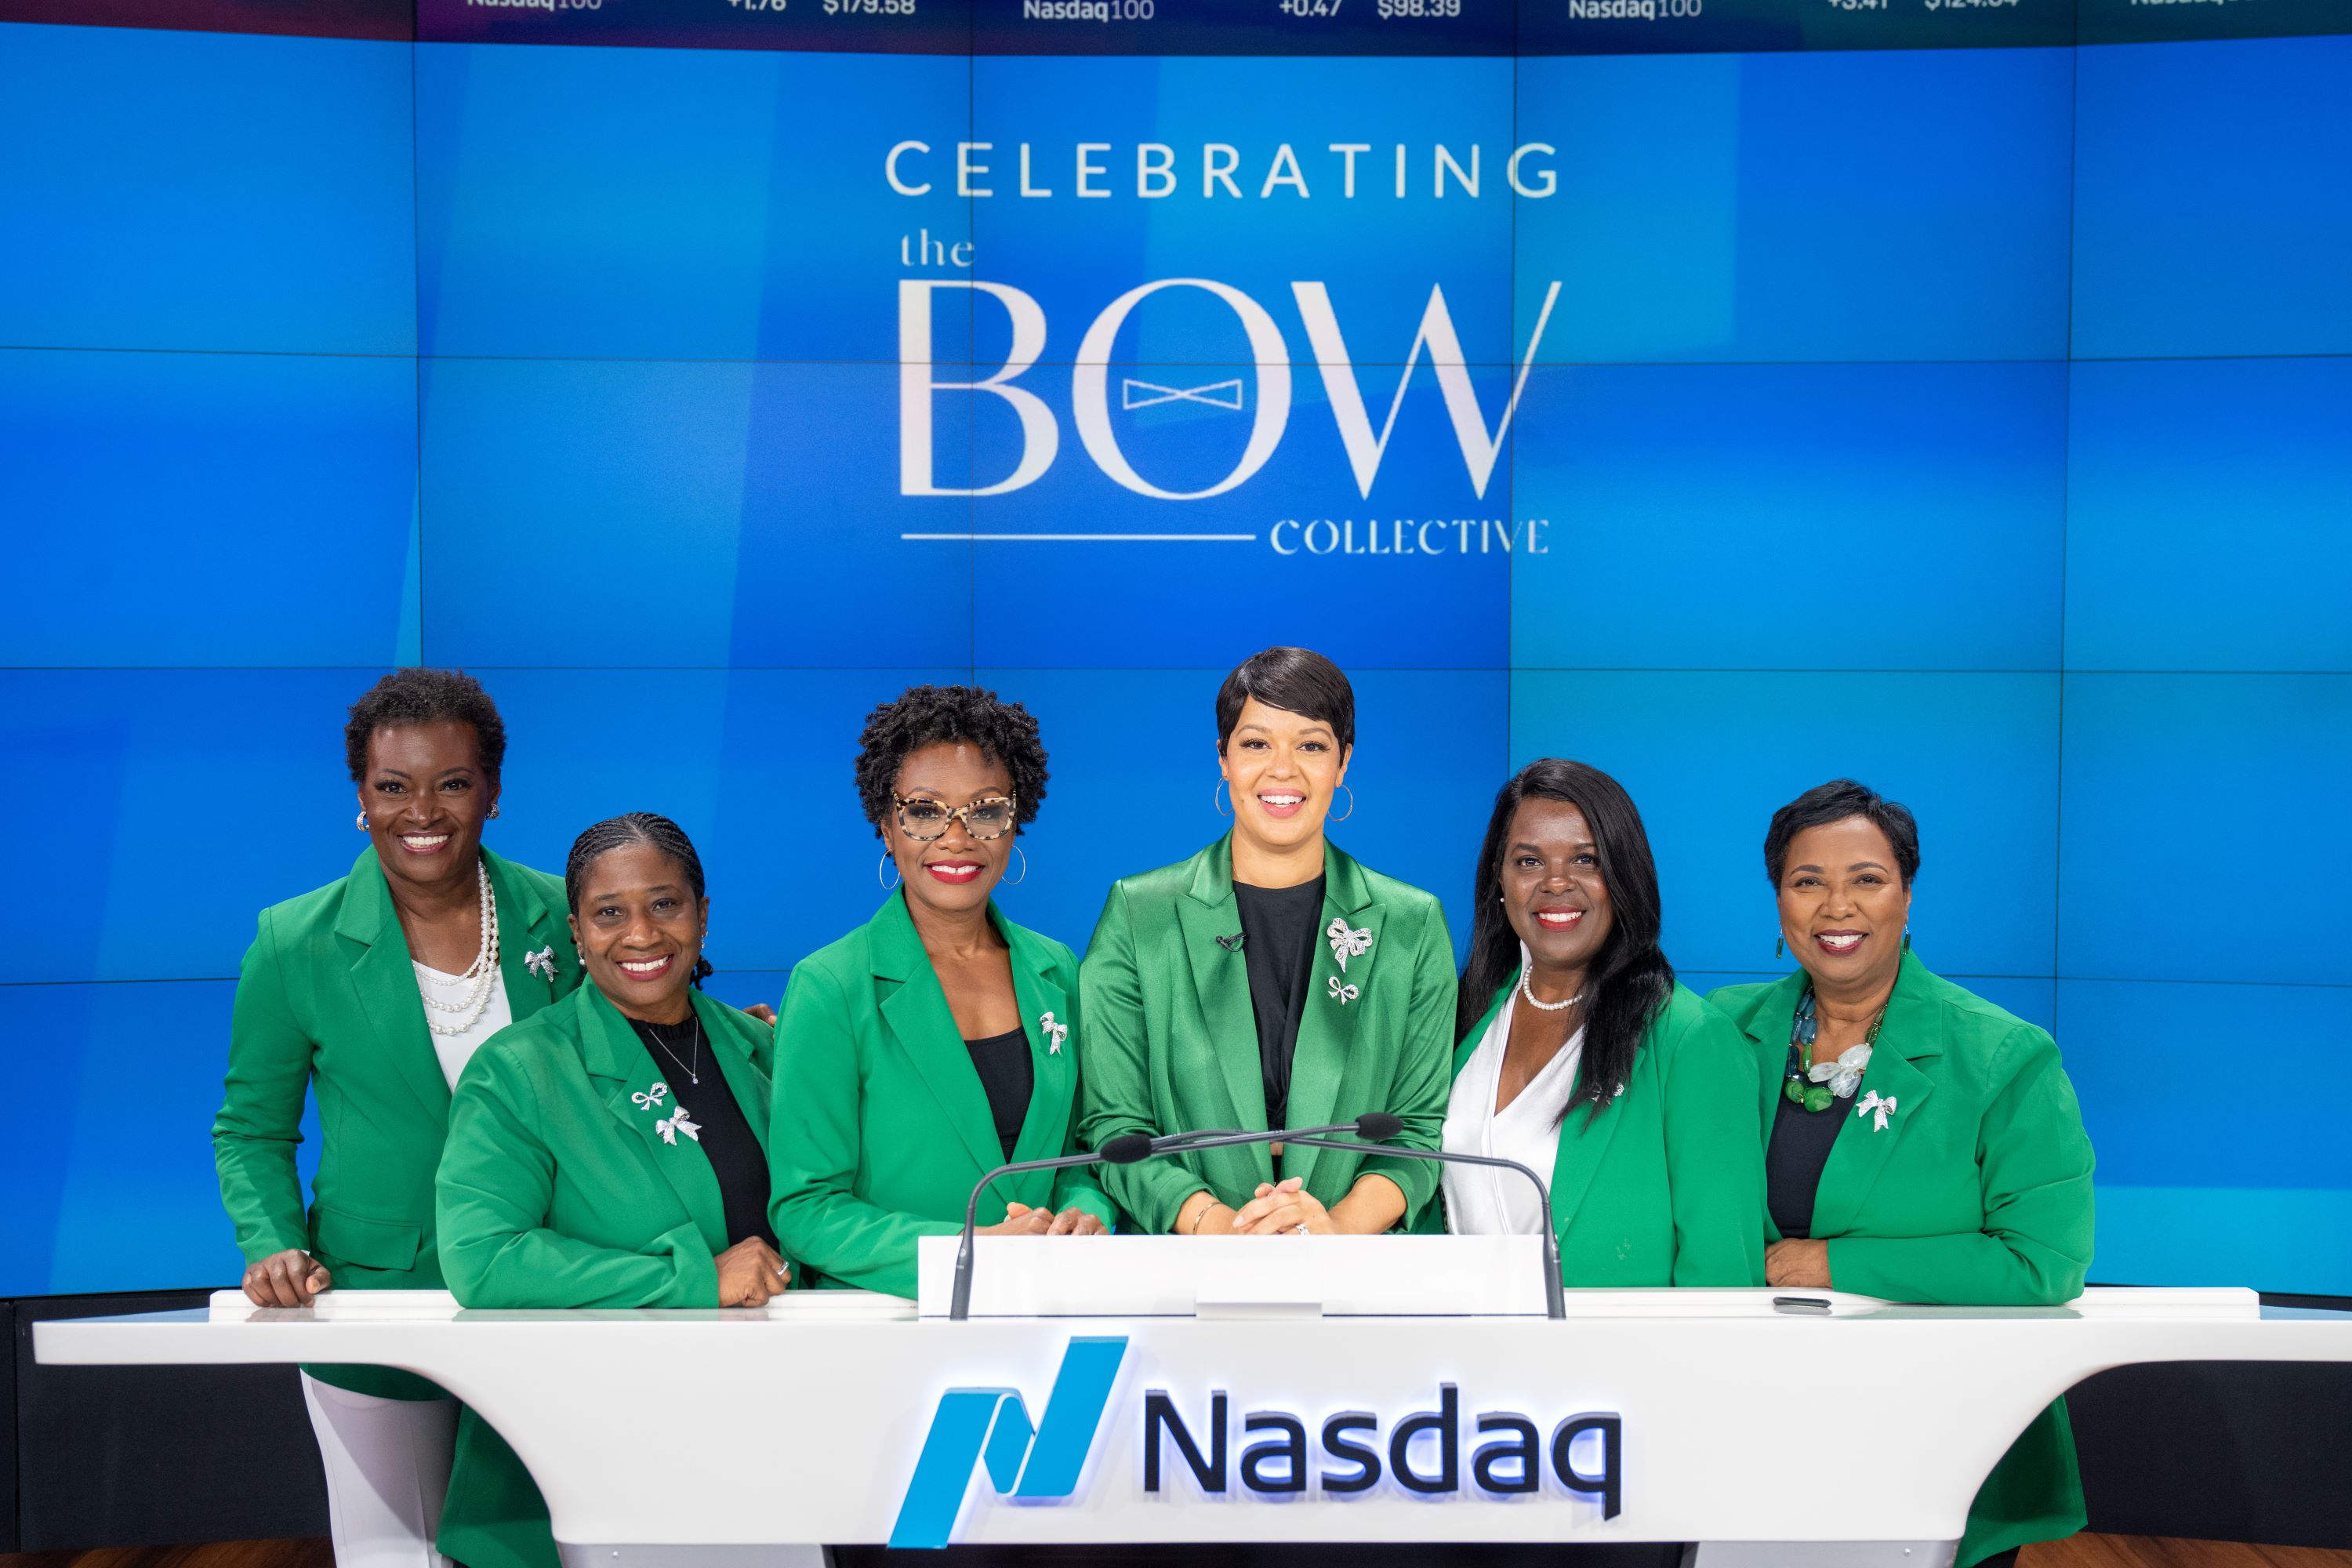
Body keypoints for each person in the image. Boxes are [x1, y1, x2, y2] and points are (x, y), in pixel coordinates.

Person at [212, 669, 579, 1568]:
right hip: (372, 1297)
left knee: (549, 1549)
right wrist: (272, 1240)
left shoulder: (567, 916)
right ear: (361, 797)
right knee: (396, 1556)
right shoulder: (293, 940)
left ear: (493, 791)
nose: (422, 811)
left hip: (549, 1288)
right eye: (392, 785)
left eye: (452, 782)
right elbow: (253, 1128)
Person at [1709, 779, 2095, 1568]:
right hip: (1762, 1418)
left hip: (1943, 1427)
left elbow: (2043, 1262)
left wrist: (1826, 1265)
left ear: (1907, 895)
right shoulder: (1720, 1029)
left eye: (1867, 879)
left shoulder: (2003, 1054)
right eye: (1807, 880)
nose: (1836, 905)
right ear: (1779, 900)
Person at [434, 813, 786, 1568]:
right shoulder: (518, 1068)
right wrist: (694, 1279)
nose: (641, 934)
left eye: (664, 904)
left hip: (755, 1437)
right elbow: (483, 1260)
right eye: (609, 913)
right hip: (582, 1447)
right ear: (576, 931)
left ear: (701, 914)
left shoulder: (762, 1047)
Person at [1079, 646, 1454, 1238]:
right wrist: (1222, 1229)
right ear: (1223, 758)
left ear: (1344, 762)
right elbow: (1115, 1126)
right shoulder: (1138, 913)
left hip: (1352, 1264)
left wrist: (1331, 1231)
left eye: (1311, 746)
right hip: (1193, 1260)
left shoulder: (1412, 923)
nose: (1283, 770)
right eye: (1256, 744)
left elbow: (1416, 1132)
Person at [770, 685, 1109, 1298]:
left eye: (986, 810)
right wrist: (967, 1251)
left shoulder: (1056, 970)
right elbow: (806, 1208)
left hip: (1044, 1307)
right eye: (925, 811)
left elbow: (1080, 1155)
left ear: (1015, 821)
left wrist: (1086, 1213)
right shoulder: (830, 986)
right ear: (886, 826)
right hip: (893, 1323)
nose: (957, 838)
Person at [1425, 760, 1762, 1287]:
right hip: (1467, 1333)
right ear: (1500, 878)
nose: (1556, 883)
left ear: (1625, 876)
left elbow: (1723, 1271)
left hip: (1614, 1340)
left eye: (1586, 860)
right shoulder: (1466, 1015)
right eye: (1529, 861)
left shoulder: (1690, 1038)